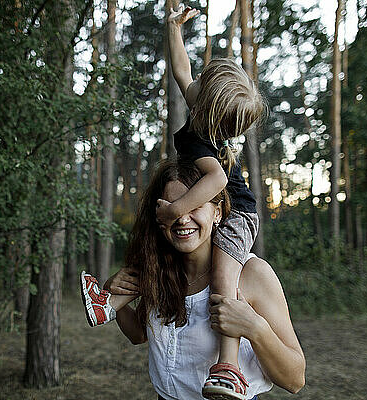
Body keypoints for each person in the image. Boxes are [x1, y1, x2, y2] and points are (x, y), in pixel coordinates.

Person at [82, 4, 266, 399]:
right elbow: (181, 70)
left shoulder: (206, 145)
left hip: (236, 215)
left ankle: (229, 366)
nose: (193, 86)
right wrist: (173, 29)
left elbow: (217, 179)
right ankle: (108, 302)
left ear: (213, 116)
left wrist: (177, 209)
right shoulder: (201, 103)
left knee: (223, 282)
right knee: (154, 242)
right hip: (206, 205)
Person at [81, 159, 305, 400]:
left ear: (217, 212)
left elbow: (295, 380)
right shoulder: (158, 269)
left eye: (194, 205)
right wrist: (113, 296)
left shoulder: (252, 273)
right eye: (173, 206)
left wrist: (255, 328)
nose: (182, 218)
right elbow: (138, 334)